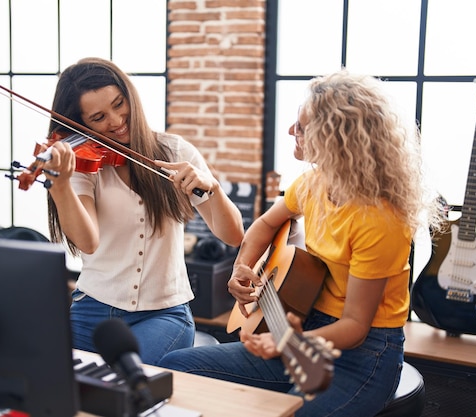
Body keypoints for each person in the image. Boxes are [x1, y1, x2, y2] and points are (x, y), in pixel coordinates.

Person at [158, 70, 444, 415]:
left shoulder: (379, 219)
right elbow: (265, 223)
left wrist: (288, 341)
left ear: (337, 138)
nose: (292, 131)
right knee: (175, 367)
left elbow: (354, 327)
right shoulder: (313, 184)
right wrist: (241, 268)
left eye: (303, 127)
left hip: (363, 356)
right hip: (307, 324)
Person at [40, 57, 245, 365]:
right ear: (82, 125)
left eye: (119, 103)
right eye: (98, 117)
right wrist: (61, 186)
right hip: (91, 309)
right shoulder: (82, 165)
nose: (116, 120)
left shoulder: (176, 151)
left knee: (124, 388)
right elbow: (87, 240)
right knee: (58, 387)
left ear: (129, 95)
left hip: (164, 314)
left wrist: (211, 188)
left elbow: (232, 235)